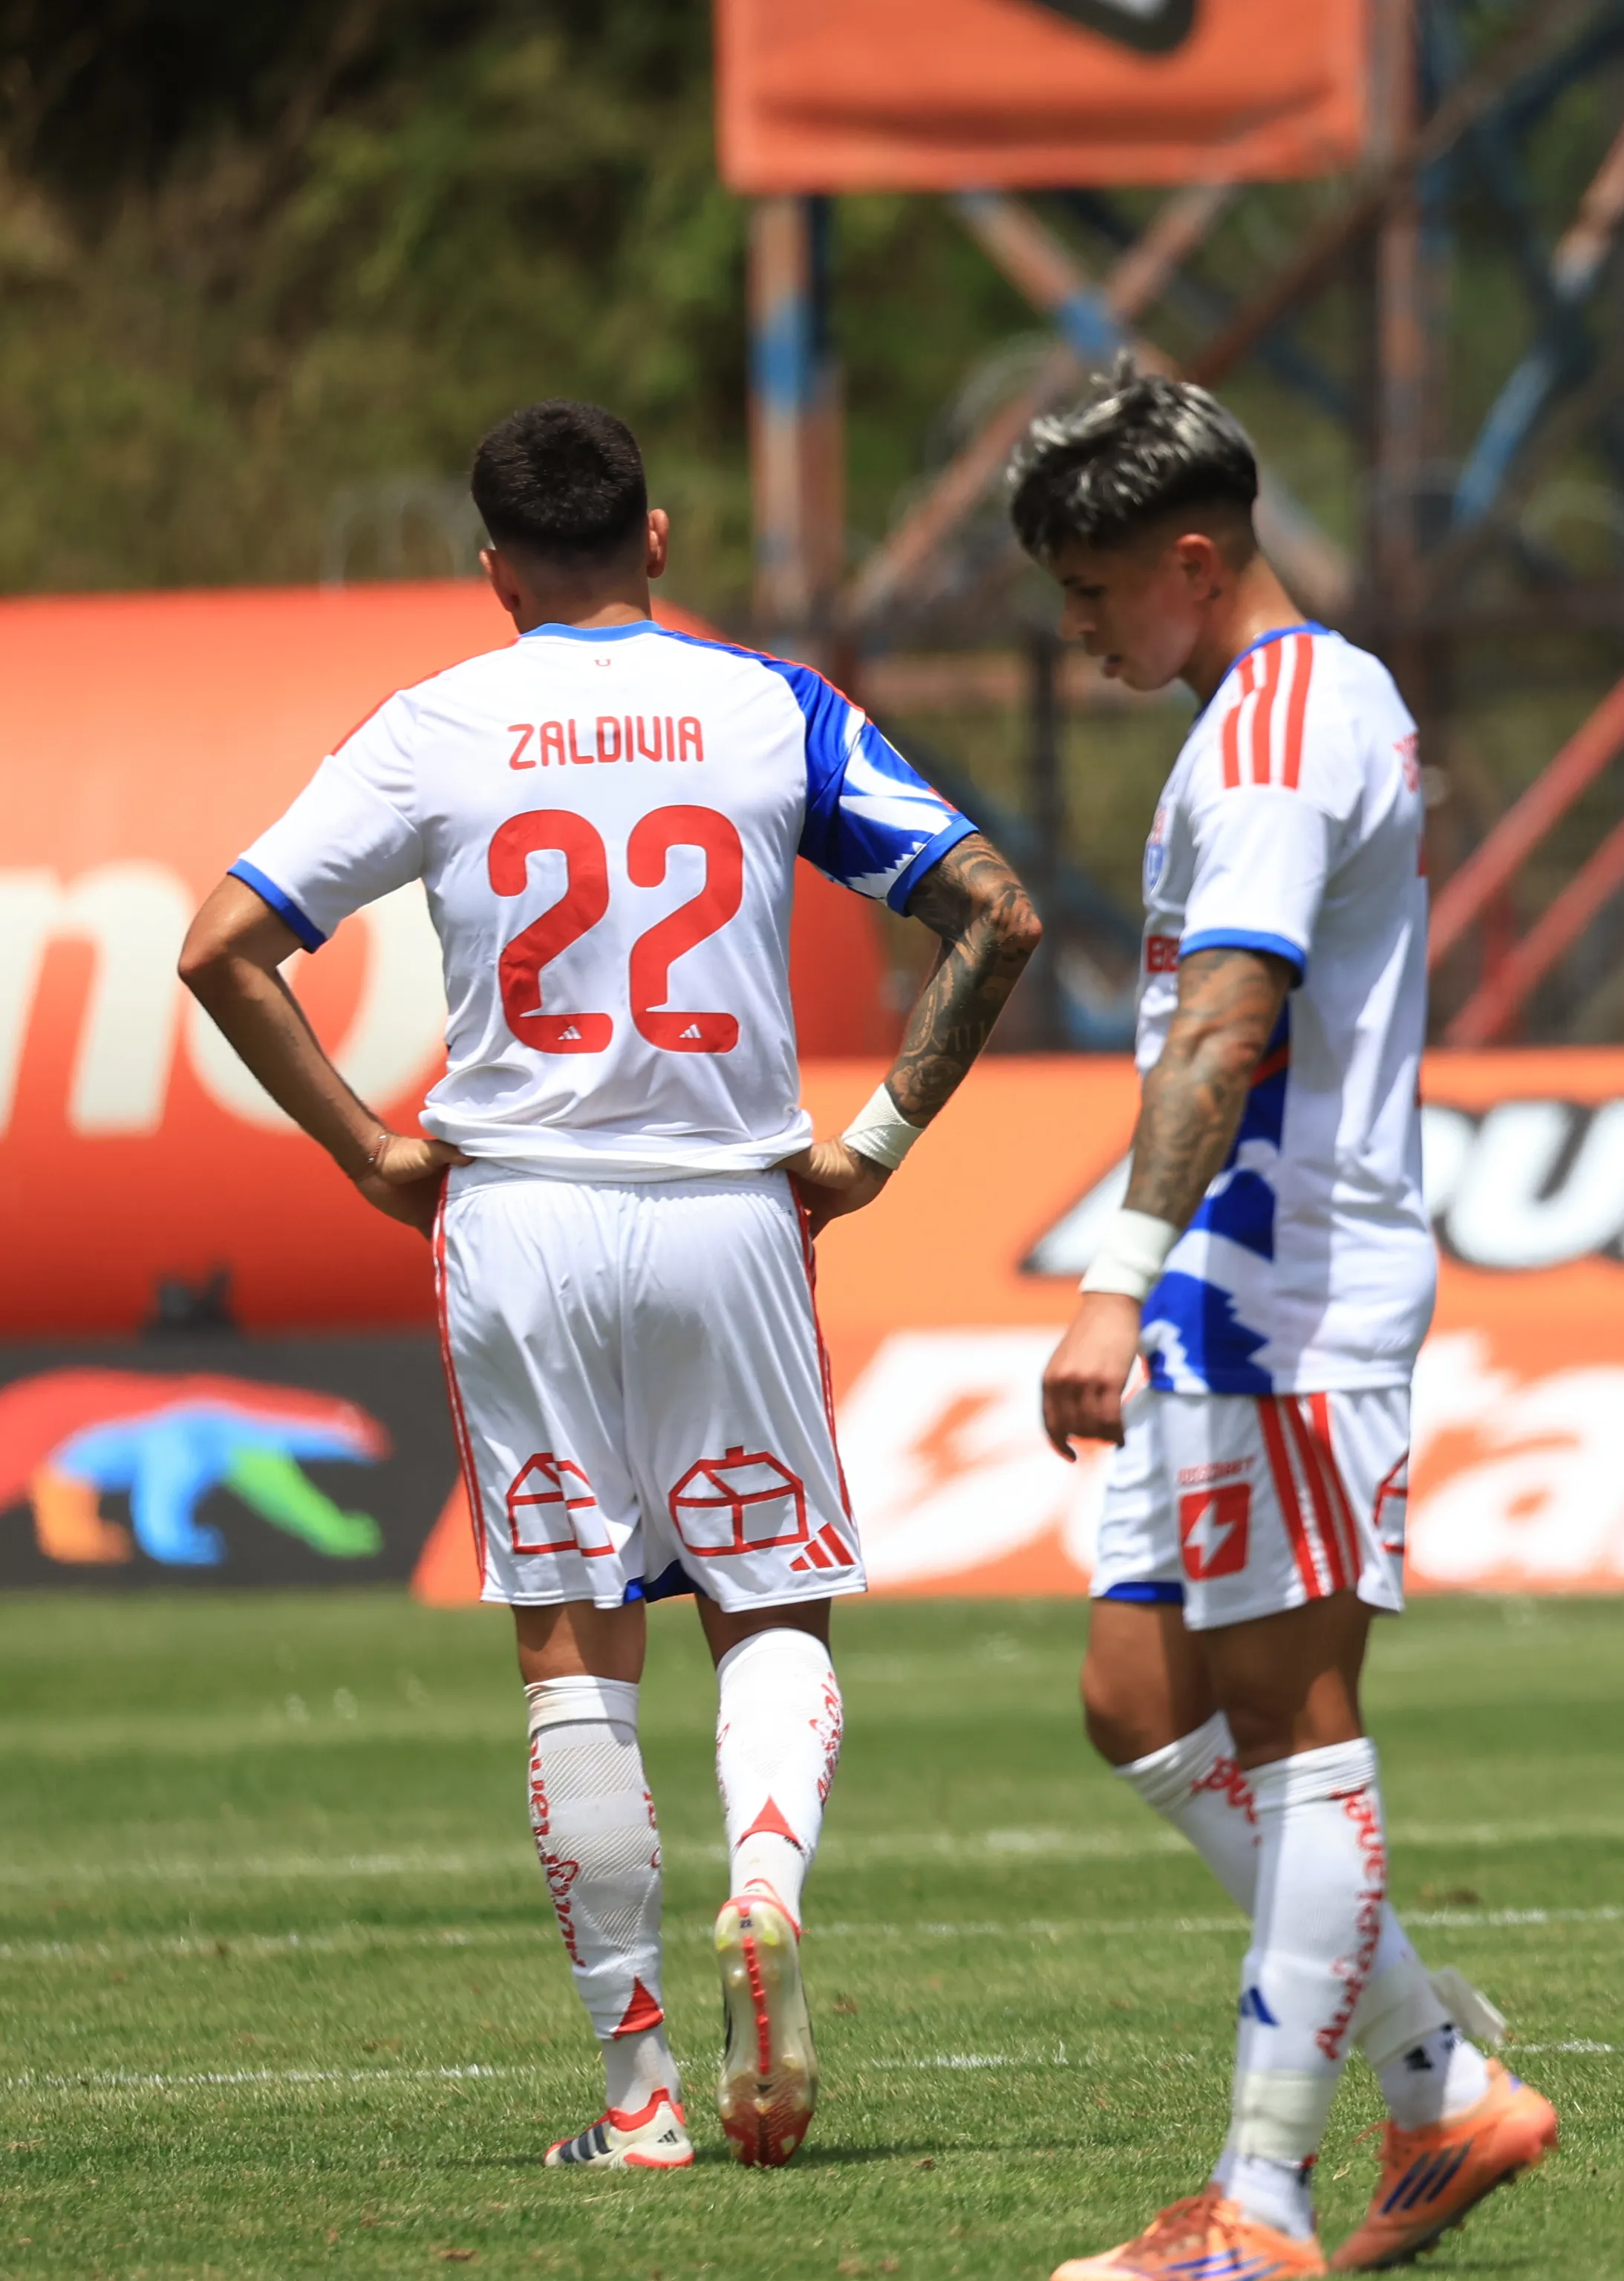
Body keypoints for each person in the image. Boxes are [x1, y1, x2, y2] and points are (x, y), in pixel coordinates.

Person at [176, 400, 1043, 2168]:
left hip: (519, 1219)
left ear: (489, 568)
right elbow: (995, 912)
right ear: (659, 537)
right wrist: (871, 1141)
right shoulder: (766, 705)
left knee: (576, 1649)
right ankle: (772, 1883)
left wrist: (365, 1148)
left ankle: (640, 2096)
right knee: (770, 1608)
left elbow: (224, 945)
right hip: (731, 1207)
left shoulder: (434, 724)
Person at [1017, 367, 1552, 2281]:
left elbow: (1232, 1023)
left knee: (1290, 1719)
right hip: (1230, 1293)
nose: (1077, 632)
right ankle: (1437, 2073)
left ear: (1190, 557)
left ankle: (1262, 2201)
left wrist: (1116, 1266)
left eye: (1092, 593)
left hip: (1284, 1290)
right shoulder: (1271, 713)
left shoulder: (1278, 730)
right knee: (1134, 1701)